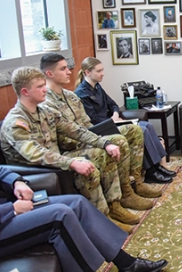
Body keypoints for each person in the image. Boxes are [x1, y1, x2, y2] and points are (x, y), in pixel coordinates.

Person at [0, 67, 140, 233]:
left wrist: (105, 143)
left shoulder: (45, 111)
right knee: (87, 167)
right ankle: (101, 221)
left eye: (44, 85)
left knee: (103, 153)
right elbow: (37, 154)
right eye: (39, 87)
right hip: (36, 171)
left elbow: (76, 131)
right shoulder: (15, 123)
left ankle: (114, 205)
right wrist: (72, 162)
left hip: (57, 160)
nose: (45, 89)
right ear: (25, 91)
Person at [0, 163, 168, 272]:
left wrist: (16, 182)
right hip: (3, 219)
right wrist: (12, 210)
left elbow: (0, 170)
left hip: (6, 207)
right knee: (60, 215)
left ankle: (127, 264)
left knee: (77, 203)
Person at [41, 54, 160, 215]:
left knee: (135, 130)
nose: (69, 72)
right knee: (119, 140)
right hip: (72, 145)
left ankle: (133, 185)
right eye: (63, 69)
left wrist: (102, 134)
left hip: (89, 135)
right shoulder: (46, 102)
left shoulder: (70, 96)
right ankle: (119, 199)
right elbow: (67, 134)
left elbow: (87, 124)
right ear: (49, 74)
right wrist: (102, 140)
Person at [74, 57, 175, 185]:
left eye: (102, 70)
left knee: (148, 125)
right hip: (102, 129)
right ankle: (151, 171)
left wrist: (115, 115)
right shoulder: (81, 94)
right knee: (141, 130)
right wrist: (112, 121)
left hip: (112, 122)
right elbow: (93, 119)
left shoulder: (97, 87)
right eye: (99, 71)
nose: (103, 73)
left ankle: (157, 166)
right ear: (87, 72)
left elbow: (113, 104)